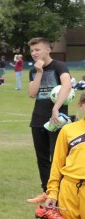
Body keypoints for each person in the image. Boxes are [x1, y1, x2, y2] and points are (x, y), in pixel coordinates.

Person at [37, 91, 85, 219]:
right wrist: (52, 192)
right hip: (69, 189)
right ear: (80, 105)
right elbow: (56, 165)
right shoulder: (69, 130)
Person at [27, 37, 72, 203]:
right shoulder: (34, 70)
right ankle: (47, 191)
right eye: (32, 51)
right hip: (38, 119)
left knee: (58, 157)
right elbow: (32, 93)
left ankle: (59, 193)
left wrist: (56, 108)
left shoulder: (59, 66)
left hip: (57, 119)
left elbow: (67, 86)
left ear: (47, 50)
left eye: (37, 49)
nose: (34, 53)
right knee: (42, 158)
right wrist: (38, 73)